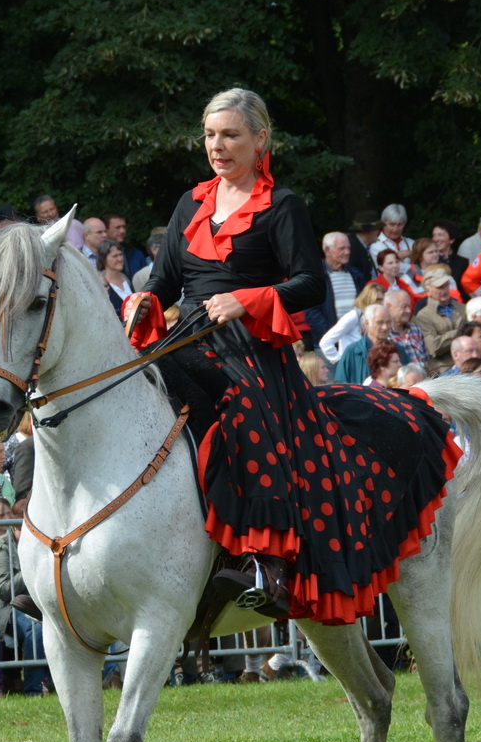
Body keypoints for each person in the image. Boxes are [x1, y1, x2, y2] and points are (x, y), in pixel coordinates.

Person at [115, 89, 457, 623]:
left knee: (245, 418)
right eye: (210, 135)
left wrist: (247, 299)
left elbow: (310, 286)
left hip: (252, 349)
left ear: (260, 140)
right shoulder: (191, 201)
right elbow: (163, 279)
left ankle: (265, 564)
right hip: (186, 339)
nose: (217, 146)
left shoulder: (282, 205)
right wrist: (144, 300)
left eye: (230, 135)